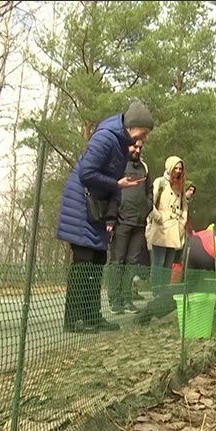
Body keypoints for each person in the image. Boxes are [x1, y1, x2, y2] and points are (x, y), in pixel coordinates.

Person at [56, 101, 153, 333]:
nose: (144, 138)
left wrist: (112, 210)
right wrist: (116, 184)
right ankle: (73, 319)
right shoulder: (105, 138)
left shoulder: (121, 144)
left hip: (97, 208)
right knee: (83, 262)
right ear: (133, 126)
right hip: (82, 206)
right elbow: (87, 172)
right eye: (144, 132)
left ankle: (92, 315)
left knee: (98, 261)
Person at [107, 139, 151, 315]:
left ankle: (126, 298)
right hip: (121, 221)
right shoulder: (118, 165)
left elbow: (149, 191)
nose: (137, 150)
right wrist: (111, 218)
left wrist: (147, 207)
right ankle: (114, 299)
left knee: (132, 262)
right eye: (134, 146)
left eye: (140, 147)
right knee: (118, 261)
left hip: (139, 223)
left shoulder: (144, 168)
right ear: (127, 146)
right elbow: (111, 190)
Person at [145, 156, 188, 293]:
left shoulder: (180, 185)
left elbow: (184, 206)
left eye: (180, 168)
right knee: (159, 262)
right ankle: (156, 291)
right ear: (169, 167)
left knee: (168, 264)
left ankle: (163, 291)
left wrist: (183, 221)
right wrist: (157, 217)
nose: (178, 171)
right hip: (161, 227)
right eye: (175, 167)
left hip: (174, 228)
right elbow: (150, 201)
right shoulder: (161, 182)